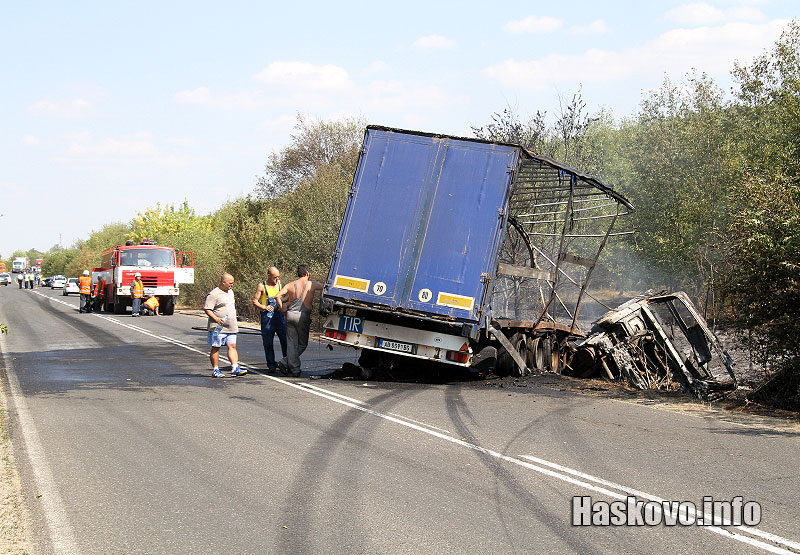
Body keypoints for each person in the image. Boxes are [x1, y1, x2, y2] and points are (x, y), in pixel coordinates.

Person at [275, 264, 324, 377]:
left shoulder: (290, 285)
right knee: (302, 344)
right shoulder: (312, 284)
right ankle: (288, 365)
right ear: (307, 273)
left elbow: (278, 296)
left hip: (290, 315)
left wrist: (282, 309)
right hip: (303, 317)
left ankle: (292, 367)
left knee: (291, 343)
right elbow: (326, 287)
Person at [204, 273, 246, 378]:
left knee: (232, 346)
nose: (232, 285)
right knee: (216, 347)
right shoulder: (214, 294)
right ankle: (215, 369)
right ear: (223, 282)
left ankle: (235, 367)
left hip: (231, 326)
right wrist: (216, 319)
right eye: (230, 283)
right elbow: (207, 309)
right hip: (218, 327)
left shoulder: (230, 292)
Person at [252, 266, 287, 373]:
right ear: (269, 276)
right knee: (268, 342)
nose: (277, 279)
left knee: (285, 340)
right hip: (267, 317)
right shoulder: (262, 286)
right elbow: (255, 301)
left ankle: (286, 363)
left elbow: (287, 297)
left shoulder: (281, 284)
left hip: (279, 317)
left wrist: (281, 301)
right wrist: (264, 307)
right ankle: (271, 365)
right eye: (275, 277)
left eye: (278, 277)